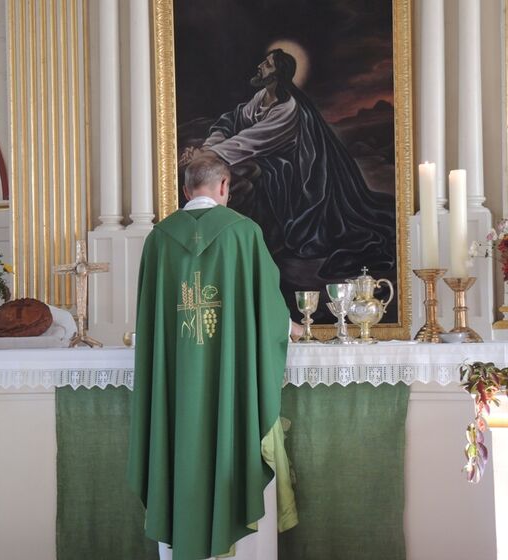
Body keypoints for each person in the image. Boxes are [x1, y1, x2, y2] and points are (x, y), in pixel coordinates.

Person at [127, 155, 299, 560]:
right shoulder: (244, 233)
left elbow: (150, 319)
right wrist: (290, 327)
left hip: (176, 385)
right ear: (224, 186)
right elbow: (270, 313)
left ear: (186, 190)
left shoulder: (158, 240)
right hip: (231, 383)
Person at [180, 49, 396, 321]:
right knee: (250, 175)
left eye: (267, 64)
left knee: (256, 178)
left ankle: (263, 252)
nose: (261, 66)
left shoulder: (287, 109)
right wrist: (207, 150)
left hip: (302, 178)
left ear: (278, 74)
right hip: (273, 164)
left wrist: (205, 156)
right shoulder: (262, 97)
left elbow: (250, 141)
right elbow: (233, 123)